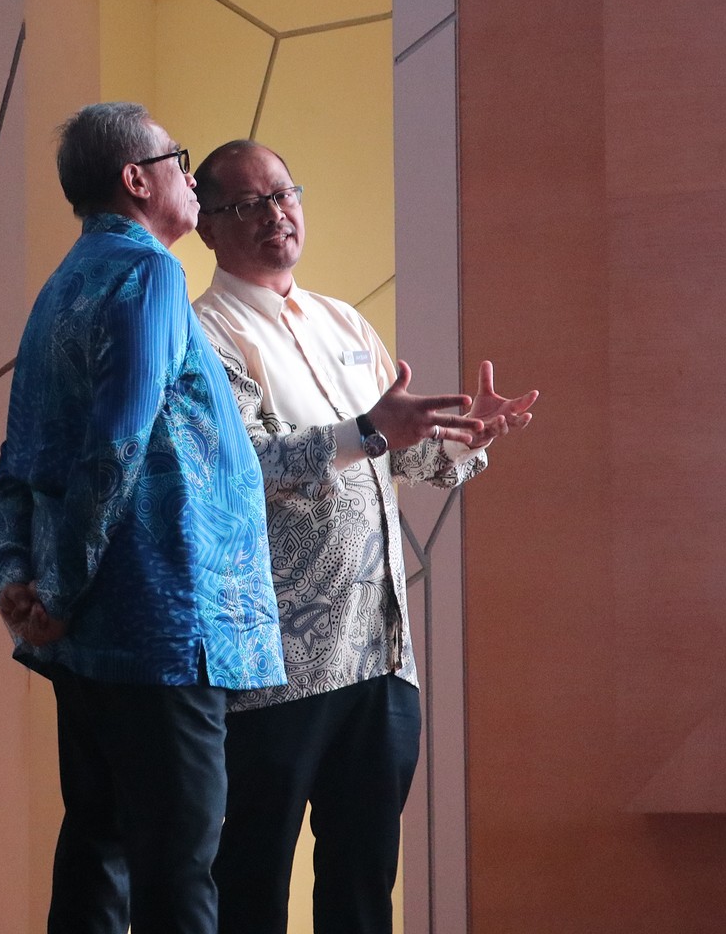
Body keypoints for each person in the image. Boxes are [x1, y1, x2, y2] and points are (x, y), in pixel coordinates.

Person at [190, 140, 536, 934]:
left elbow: (399, 455)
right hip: (272, 671)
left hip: (379, 659)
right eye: (248, 204)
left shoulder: (343, 322)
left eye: (284, 193)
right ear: (207, 227)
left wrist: (464, 440)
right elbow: (237, 466)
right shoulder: (204, 335)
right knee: (249, 887)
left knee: (363, 887)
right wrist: (368, 432)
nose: (275, 213)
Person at [0, 103, 291, 934]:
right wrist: (56, 592)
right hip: (163, 630)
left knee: (98, 854)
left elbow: (15, 465)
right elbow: (118, 444)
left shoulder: (59, 288)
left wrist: (19, 577)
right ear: (136, 180)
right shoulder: (149, 275)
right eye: (176, 160)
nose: (190, 176)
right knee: (178, 872)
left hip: (89, 641)